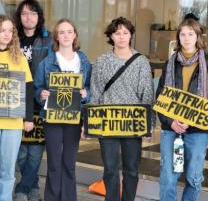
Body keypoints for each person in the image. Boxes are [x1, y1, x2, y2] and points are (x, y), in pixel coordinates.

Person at [90, 16, 154, 201]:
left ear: (131, 35)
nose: (122, 37)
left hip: (133, 123)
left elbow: (147, 94)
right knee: (110, 169)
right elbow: (95, 93)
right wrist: (89, 123)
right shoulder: (101, 61)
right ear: (111, 36)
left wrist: (148, 124)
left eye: (125, 32)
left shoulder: (141, 61)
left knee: (131, 170)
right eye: (117, 33)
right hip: (107, 122)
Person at [34, 18, 91, 201]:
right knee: (53, 163)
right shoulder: (47, 62)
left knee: (69, 163)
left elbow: (91, 88)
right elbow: (37, 88)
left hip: (74, 118)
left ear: (75, 35)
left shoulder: (83, 61)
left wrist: (86, 93)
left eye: (69, 31)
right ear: (56, 37)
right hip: (52, 118)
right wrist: (41, 94)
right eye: (61, 32)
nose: (66, 35)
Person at [156, 18, 208, 201]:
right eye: (183, 34)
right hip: (171, 129)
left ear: (198, 36)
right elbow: (160, 98)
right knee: (168, 178)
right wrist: (171, 122)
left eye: (191, 34)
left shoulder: (207, 64)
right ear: (178, 37)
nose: (186, 38)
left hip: (198, 130)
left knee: (194, 178)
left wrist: (193, 119)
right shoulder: (170, 64)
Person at [14, 0, 52, 201]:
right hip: (15, 100)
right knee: (20, 151)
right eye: (24, 13)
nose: (29, 17)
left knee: (36, 151)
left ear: (39, 17)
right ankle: (32, 185)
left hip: (39, 100)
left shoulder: (47, 39)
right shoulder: (12, 39)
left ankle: (23, 188)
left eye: (33, 13)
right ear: (19, 17)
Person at [0, 14, 33, 201]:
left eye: (10, 30)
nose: (7, 34)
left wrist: (29, 118)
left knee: (8, 168)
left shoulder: (18, 57)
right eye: (2, 30)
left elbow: (28, 88)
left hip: (13, 122)